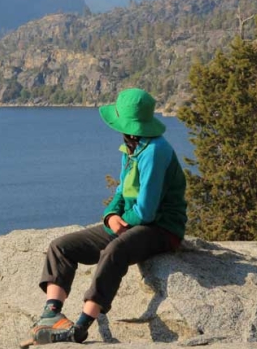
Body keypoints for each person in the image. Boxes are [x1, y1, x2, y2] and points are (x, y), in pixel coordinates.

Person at [21, 88, 187, 347]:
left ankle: (81, 326)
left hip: (162, 228)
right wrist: (111, 215)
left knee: (115, 249)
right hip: (132, 222)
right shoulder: (132, 147)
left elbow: (147, 211)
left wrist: (122, 223)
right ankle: (50, 314)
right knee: (61, 247)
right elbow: (122, 191)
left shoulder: (156, 151)